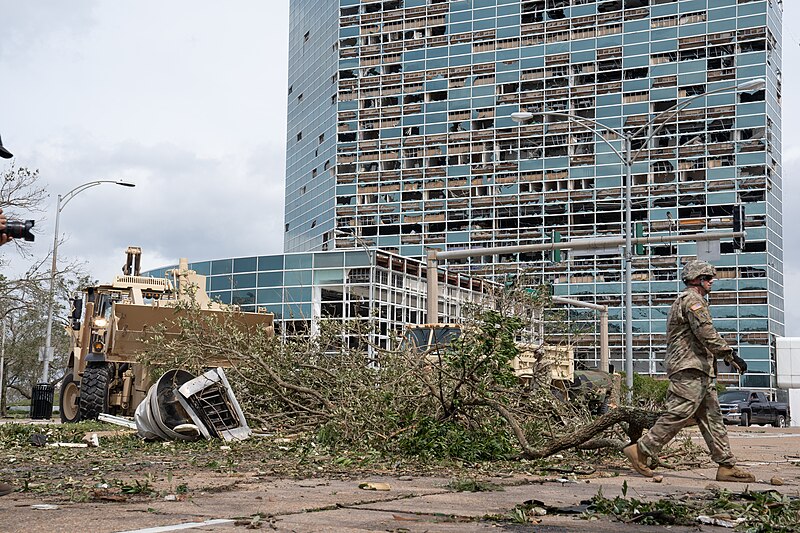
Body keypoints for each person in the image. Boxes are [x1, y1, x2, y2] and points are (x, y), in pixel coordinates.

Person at [623, 260, 755, 483]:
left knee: (712, 418)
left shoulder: (692, 300)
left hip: (700, 370)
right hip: (689, 368)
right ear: (696, 280)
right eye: (708, 278)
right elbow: (706, 333)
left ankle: (726, 466)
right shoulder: (692, 300)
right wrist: (730, 354)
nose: (712, 281)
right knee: (679, 412)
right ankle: (641, 450)